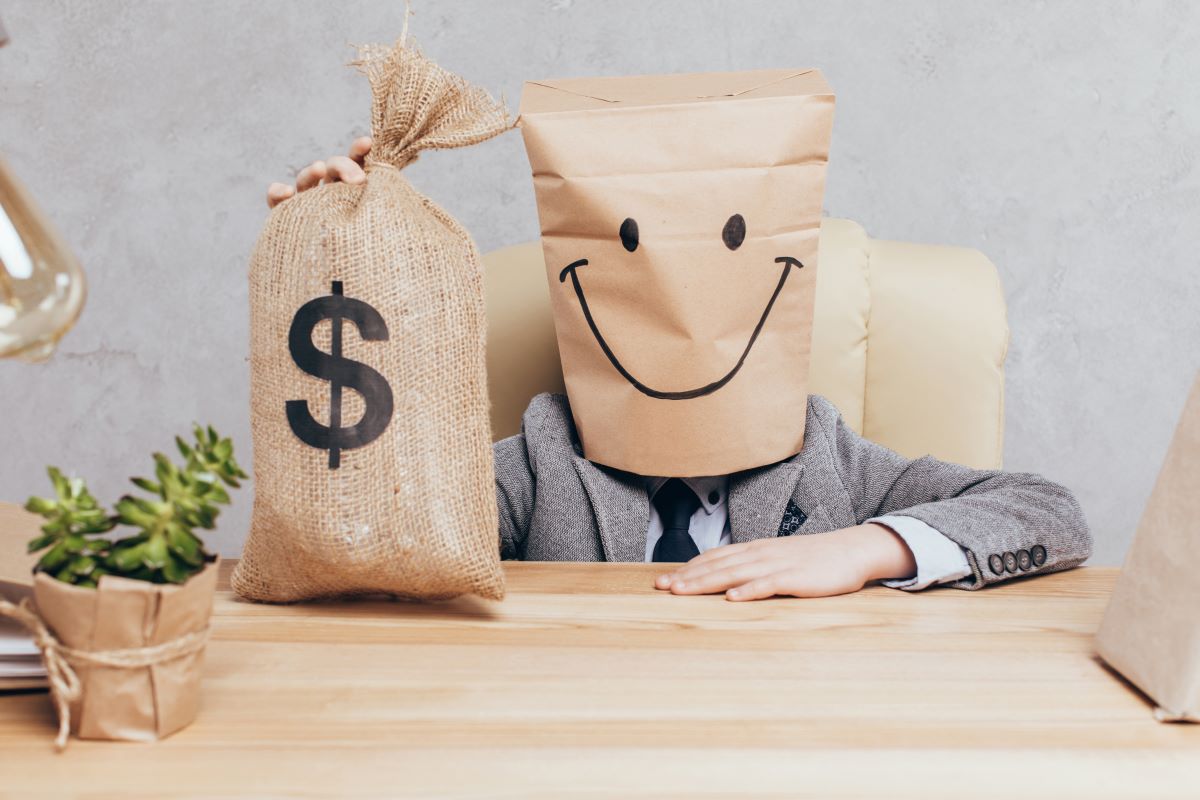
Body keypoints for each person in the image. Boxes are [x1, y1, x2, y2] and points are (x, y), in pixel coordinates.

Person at [266, 139, 1092, 602]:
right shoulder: (545, 458)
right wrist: (342, 274)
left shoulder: (823, 453)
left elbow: (1051, 513)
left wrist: (867, 548)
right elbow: (372, 536)